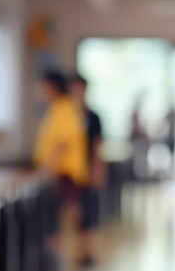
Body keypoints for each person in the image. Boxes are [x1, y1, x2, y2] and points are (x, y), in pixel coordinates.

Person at [33, 70, 88, 269]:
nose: (38, 90)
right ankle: (63, 252)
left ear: (51, 87)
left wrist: (47, 169)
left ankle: (77, 252)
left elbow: (63, 142)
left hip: (64, 172)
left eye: (41, 85)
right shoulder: (57, 108)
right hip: (60, 172)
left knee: (68, 213)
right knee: (61, 214)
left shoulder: (64, 107)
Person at [70, 74, 106, 269]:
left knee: (90, 213)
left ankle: (89, 251)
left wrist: (98, 170)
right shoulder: (68, 116)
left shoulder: (93, 118)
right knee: (76, 214)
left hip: (88, 172)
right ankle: (80, 250)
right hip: (73, 174)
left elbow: (97, 145)